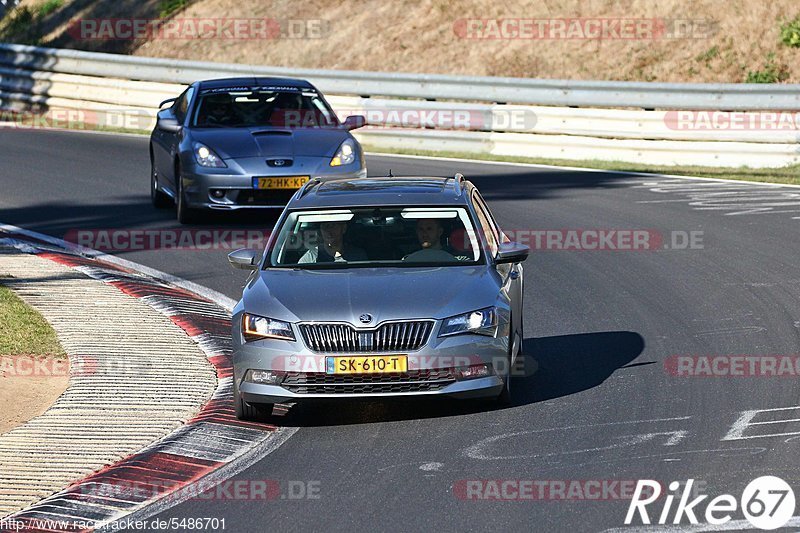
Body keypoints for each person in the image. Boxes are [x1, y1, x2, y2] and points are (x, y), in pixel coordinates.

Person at [299, 221, 367, 263]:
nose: (329, 232)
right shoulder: (310, 259)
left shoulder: (358, 256)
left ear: (343, 228)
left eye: (333, 226)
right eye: (325, 227)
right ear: (320, 232)